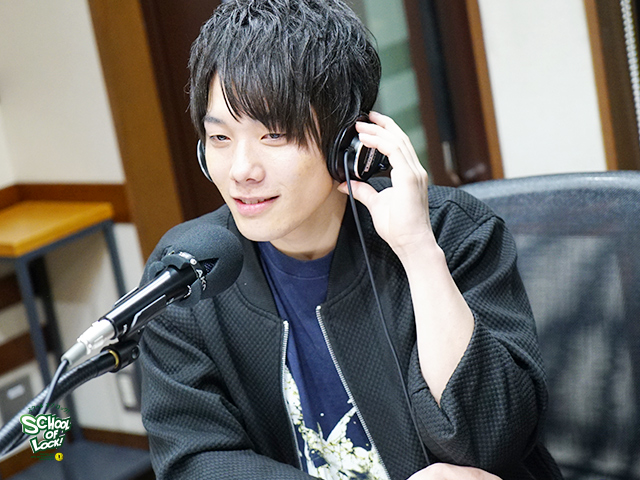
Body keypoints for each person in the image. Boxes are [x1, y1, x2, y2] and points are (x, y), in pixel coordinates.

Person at [138, 1, 563, 479]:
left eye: (274, 135)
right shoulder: (191, 271)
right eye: (220, 138)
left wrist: (419, 252)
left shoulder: (454, 232)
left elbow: (489, 442)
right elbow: (193, 461)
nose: (241, 170)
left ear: (348, 144)